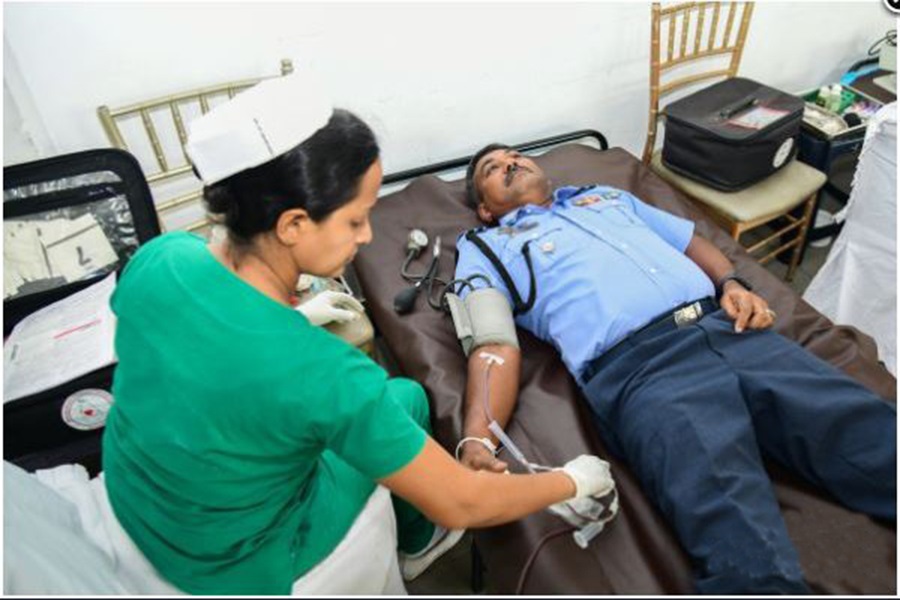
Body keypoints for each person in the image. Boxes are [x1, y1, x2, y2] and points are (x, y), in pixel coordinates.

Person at [101, 74, 616, 596]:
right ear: (294, 224)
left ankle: (413, 541)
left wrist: (295, 317)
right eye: (356, 220)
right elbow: (462, 499)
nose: (368, 235)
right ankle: (420, 545)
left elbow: (195, 347)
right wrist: (572, 480)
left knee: (405, 396)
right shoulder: (326, 375)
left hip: (136, 496)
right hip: (235, 562)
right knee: (404, 400)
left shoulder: (158, 259)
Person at [453, 143, 897, 594]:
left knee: (858, 423)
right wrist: (477, 439)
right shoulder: (487, 248)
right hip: (644, 370)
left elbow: (688, 241)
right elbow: (493, 344)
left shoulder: (605, 197)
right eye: (492, 167)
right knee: (730, 519)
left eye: (517, 156)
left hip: (731, 329)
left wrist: (731, 283)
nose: (511, 163)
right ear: (485, 209)